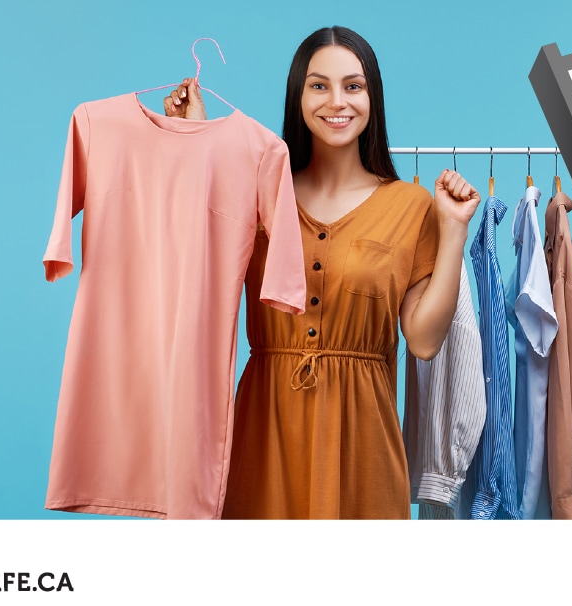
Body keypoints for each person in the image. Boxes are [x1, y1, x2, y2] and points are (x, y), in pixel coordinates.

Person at [164, 26, 480, 519]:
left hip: (364, 444)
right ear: (298, 95)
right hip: (264, 433)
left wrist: (454, 229)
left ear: (372, 96)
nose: (338, 101)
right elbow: (194, 265)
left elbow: (422, 341)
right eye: (319, 85)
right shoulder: (257, 193)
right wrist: (197, 142)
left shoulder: (410, 205)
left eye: (353, 86)